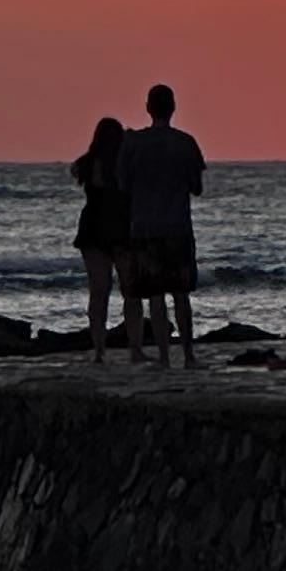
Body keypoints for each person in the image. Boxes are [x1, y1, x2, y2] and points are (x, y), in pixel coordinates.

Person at [117, 83, 208, 364]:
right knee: (181, 294)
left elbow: (122, 184)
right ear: (173, 108)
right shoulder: (186, 142)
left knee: (154, 296)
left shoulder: (133, 144)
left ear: (148, 108)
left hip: (144, 227)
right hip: (177, 227)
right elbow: (197, 187)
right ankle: (189, 355)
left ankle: (165, 357)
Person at [69, 113, 129, 356]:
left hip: (95, 227)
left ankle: (99, 347)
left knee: (99, 290)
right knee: (126, 290)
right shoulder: (121, 166)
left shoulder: (87, 164)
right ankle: (124, 346)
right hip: (117, 228)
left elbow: (77, 171)